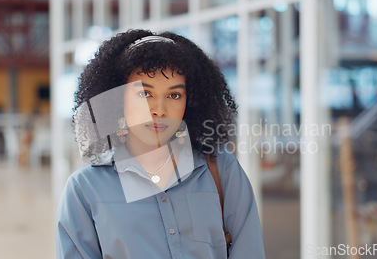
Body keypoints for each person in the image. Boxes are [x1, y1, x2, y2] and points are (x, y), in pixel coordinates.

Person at [56, 29, 265, 259]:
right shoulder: (85, 188)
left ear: (191, 101)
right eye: (145, 94)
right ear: (117, 97)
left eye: (174, 95)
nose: (159, 110)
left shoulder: (223, 171)